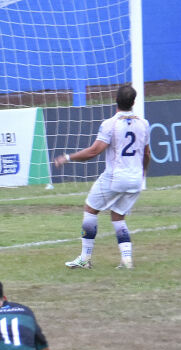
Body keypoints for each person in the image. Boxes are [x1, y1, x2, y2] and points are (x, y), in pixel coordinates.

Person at [53, 85, 151, 269]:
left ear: (116, 101)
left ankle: (84, 258)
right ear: (134, 102)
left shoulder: (110, 124)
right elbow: (147, 154)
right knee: (118, 216)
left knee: (90, 210)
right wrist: (143, 174)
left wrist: (67, 157)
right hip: (136, 178)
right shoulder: (144, 123)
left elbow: (93, 152)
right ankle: (127, 259)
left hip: (116, 177)